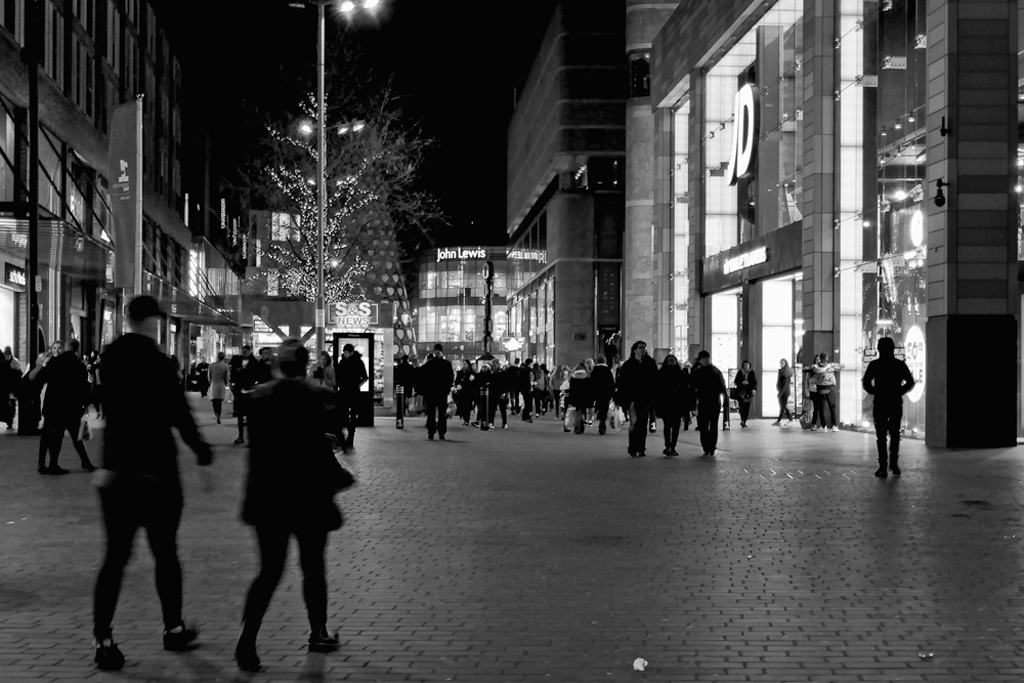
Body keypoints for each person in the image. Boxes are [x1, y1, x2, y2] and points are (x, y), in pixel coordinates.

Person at [91, 295, 213, 671]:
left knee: (114, 559)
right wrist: (200, 450)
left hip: (117, 474)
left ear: (129, 318)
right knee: (165, 554)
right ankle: (173, 628)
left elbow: (107, 405)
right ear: (154, 322)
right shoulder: (159, 364)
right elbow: (178, 411)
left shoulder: (109, 359)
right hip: (158, 474)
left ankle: (104, 640)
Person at [234, 339, 349, 673]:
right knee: (313, 566)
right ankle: (318, 631)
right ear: (305, 364)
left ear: (278, 366)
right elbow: (331, 434)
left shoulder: (258, 399)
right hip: (310, 496)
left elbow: (258, 448)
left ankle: (247, 641)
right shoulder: (319, 396)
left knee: (268, 571)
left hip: (269, 497)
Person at [29, 339, 96, 474]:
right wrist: (85, 405)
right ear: (77, 349)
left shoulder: (54, 363)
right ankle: (84, 462)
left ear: (65, 348)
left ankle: (45, 464)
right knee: (74, 435)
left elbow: (38, 379)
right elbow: (84, 387)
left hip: (52, 405)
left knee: (50, 435)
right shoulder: (78, 365)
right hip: (70, 407)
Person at [862, 337, 915, 478]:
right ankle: (893, 463)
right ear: (893, 349)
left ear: (879, 349)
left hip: (880, 401)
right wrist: (900, 390)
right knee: (895, 434)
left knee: (881, 436)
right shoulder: (899, 365)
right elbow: (910, 381)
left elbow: (866, 382)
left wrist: (874, 391)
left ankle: (883, 466)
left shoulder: (875, 365)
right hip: (895, 401)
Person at [615, 341, 658, 457]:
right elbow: (622, 383)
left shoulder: (650, 363)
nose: (642, 349)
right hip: (632, 399)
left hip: (645, 399)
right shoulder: (628, 365)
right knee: (634, 423)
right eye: (640, 347)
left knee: (643, 424)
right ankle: (633, 447)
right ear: (634, 350)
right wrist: (622, 400)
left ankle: (641, 448)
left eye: (644, 347)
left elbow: (655, 382)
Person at [690, 350, 729, 456]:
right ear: (700, 360)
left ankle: (711, 446)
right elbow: (692, 390)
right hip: (703, 401)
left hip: (714, 401)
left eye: (707, 358)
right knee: (703, 425)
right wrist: (692, 405)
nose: (706, 360)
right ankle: (706, 446)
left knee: (713, 425)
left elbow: (722, 386)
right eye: (704, 359)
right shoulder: (697, 373)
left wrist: (725, 399)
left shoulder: (715, 371)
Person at [335, 343, 368, 452]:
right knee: (346, 415)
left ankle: (350, 438)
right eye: (344, 352)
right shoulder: (348, 362)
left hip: (349, 391)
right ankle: (349, 437)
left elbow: (364, 377)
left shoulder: (354, 362)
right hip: (349, 391)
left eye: (347, 352)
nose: (345, 354)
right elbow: (364, 377)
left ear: (351, 352)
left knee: (350, 414)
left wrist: (356, 384)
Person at [421, 344, 454, 440]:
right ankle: (439, 432)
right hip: (440, 392)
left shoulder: (429, 364)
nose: (436, 352)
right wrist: (447, 389)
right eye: (436, 351)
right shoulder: (446, 364)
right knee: (439, 413)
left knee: (435, 413)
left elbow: (423, 377)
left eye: (438, 351)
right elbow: (450, 378)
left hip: (433, 392)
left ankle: (433, 432)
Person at [655, 354, 687, 456]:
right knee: (668, 426)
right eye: (669, 360)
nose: (671, 362)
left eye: (672, 360)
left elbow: (685, 389)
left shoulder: (680, 373)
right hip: (666, 404)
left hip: (677, 404)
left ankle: (672, 446)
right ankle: (668, 445)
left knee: (675, 427)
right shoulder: (662, 373)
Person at [229, 346, 256, 445]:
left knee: (250, 417)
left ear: (249, 352)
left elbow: (256, 375)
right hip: (239, 392)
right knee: (240, 415)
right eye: (243, 351)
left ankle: (250, 439)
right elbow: (233, 374)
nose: (244, 353)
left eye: (246, 351)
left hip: (250, 392)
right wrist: (233, 384)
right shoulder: (236, 361)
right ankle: (241, 436)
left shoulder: (254, 362)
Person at [812, 353, 844, 432]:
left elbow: (812, 378)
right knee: (833, 408)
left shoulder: (815, 368)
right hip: (830, 389)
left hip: (820, 390)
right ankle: (834, 426)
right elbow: (842, 366)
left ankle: (824, 427)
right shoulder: (831, 366)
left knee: (821, 409)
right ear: (826, 358)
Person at [590, 355, 615, 435]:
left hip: (597, 393)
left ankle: (600, 416)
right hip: (606, 393)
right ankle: (602, 422)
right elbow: (611, 383)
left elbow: (591, 382)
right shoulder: (608, 371)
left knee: (599, 406)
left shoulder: (594, 371)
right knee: (604, 408)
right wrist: (612, 393)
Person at [567, 361, 591, 434]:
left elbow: (570, 386)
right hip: (584, 395)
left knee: (578, 410)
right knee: (582, 410)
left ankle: (578, 425)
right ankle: (579, 425)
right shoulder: (587, 375)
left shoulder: (573, 375)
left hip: (575, 395)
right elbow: (590, 387)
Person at [733, 360, 758, 428]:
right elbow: (736, 381)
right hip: (741, 392)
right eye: (745, 365)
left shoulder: (752, 373)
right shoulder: (740, 372)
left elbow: (754, 382)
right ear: (743, 366)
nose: (746, 366)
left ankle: (744, 421)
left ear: (749, 366)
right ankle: (742, 419)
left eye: (747, 365)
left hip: (749, 392)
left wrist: (753, 388)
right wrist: (742, 382)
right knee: (742, 407)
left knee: (747, 407)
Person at [0, 345, 20, 429]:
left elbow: (16, 375)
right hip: (5, 386)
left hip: (9, 386)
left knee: (10, 403)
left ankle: (10, 421)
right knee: (8, 404)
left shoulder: (14, 362)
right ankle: (9, 420)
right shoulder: (11, 361)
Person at [772, 358, 794, 426]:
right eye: (780, 363)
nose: (781, 364)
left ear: (785, 364)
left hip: (784, 392)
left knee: (783, 406)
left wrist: (780, 393)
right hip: (782, 391)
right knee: (783, 406)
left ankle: (780, 420)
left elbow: (785, 385)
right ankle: (789, 419)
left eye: (782, 363)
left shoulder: (786, 373)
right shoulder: (781, 371)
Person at [208, 352, 229, 424]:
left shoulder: (211, 366)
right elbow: (226, 377)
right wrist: (225, 383)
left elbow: (209, 377)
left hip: (214, 384)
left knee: (214, 401)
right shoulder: (225, 366)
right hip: (221, 384)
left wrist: (210, 381)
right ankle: (219, 415)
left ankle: (216, 413)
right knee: (219, 401)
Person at [489, 359, 510, 429]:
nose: (494, 367)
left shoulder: (503, 374)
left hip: (501, 393)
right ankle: (491, 422)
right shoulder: (492, 374)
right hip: (494, 393)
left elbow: (507, 384)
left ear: (498, 365)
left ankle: (504, 423)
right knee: (492, 409)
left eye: (495, 365)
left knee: (502, 409)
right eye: (493, 365)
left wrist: (504, 392)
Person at [454, 359, 475, 426]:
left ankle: (467, 419)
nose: (464, 365)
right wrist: (457, 385)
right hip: (462, 392)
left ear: (468, 365)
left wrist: (472, 380)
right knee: (462, 405)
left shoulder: (471, 373)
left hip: (469, 391)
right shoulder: (460, 373)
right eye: (463, 364)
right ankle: (465, 419)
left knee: (468, 406)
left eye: (465, 364)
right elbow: (457, 381)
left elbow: (473, 383)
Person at [471, 362, 493, 428]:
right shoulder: (478, 375)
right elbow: (475, 385)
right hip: (479, 394)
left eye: (485, 367)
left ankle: (488, 422)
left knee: (487, 408)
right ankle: (478, 421)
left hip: (488, 395)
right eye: (483, 367)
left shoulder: (490, 376)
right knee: (480, 408)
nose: (484, 369)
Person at [87, 350, 103, 418]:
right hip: (95, 384)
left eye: (99, 358)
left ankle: (101, 412)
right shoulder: (95, 365)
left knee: (101, 400)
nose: (98, 359)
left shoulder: (102, 366)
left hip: (102, 385)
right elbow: (90, 370)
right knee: (94, 399)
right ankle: (98, 412)